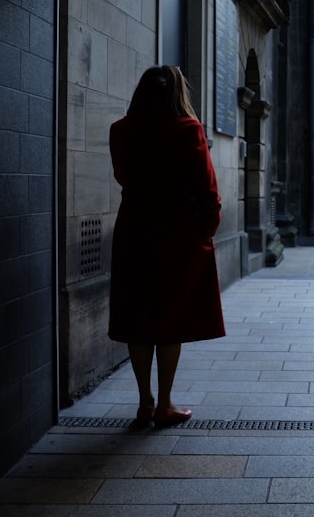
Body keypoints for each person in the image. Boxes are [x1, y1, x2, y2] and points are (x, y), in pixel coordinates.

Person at [108, 65, 226, 427]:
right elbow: (207, 188)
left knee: (138, 316)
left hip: (133, 231)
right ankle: (167, 404)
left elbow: (123, 177)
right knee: (169, 319)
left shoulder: (121, 130)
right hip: (176, 234)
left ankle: (145, 402)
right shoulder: (188, 129)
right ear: (177, 94)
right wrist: (205, 230)